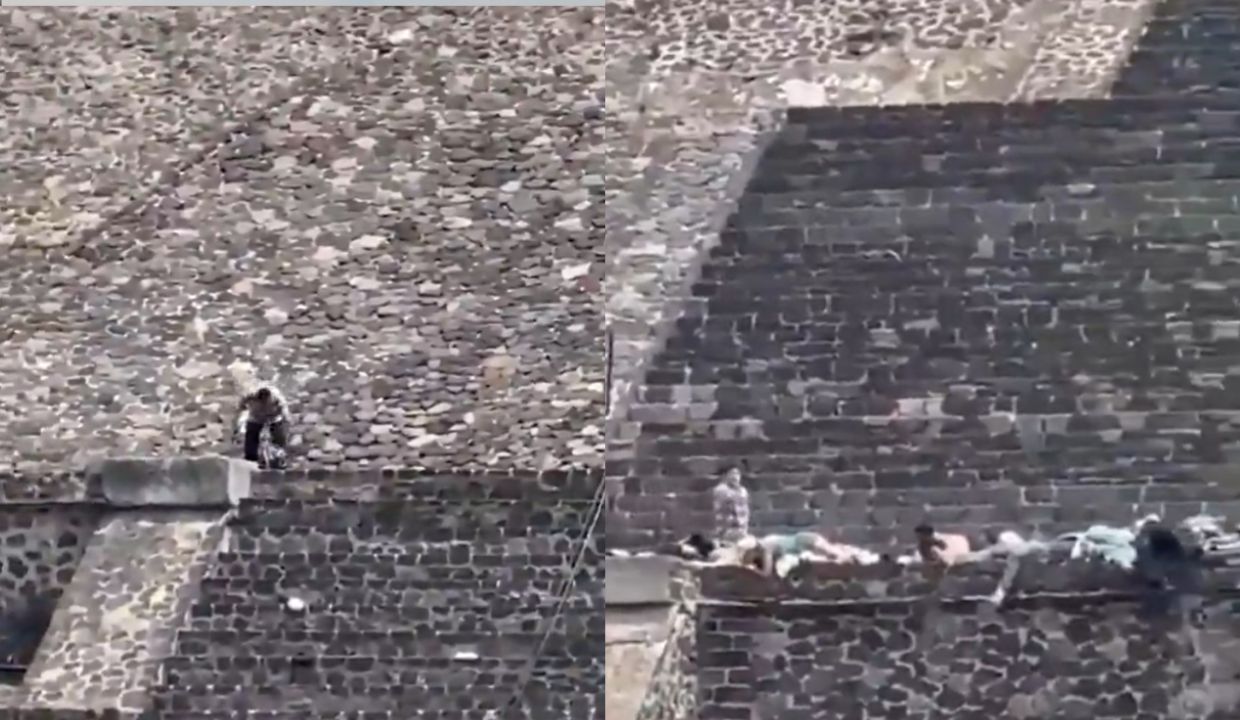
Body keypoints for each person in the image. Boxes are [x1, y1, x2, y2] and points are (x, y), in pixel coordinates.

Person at [234, 382, 291, 468]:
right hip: (256, 417)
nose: (264, 403)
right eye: (261, 401)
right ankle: (251, 459)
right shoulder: (250, 394)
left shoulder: (276, 395)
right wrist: (241, 410)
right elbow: (241, 403)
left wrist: (286, 419)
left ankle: (279, 457)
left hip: (273, 417)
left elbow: (284, 409)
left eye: (266, 401)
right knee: (251, 436)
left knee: (280, 436)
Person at [712, 465, 750, 545]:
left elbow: (745, 510)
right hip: (727, 530)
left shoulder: (743, 490)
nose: (735, 476)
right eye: (732, 473)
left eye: (737, 474)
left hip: (741, 528)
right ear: (726, 476)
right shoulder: (721, 490)